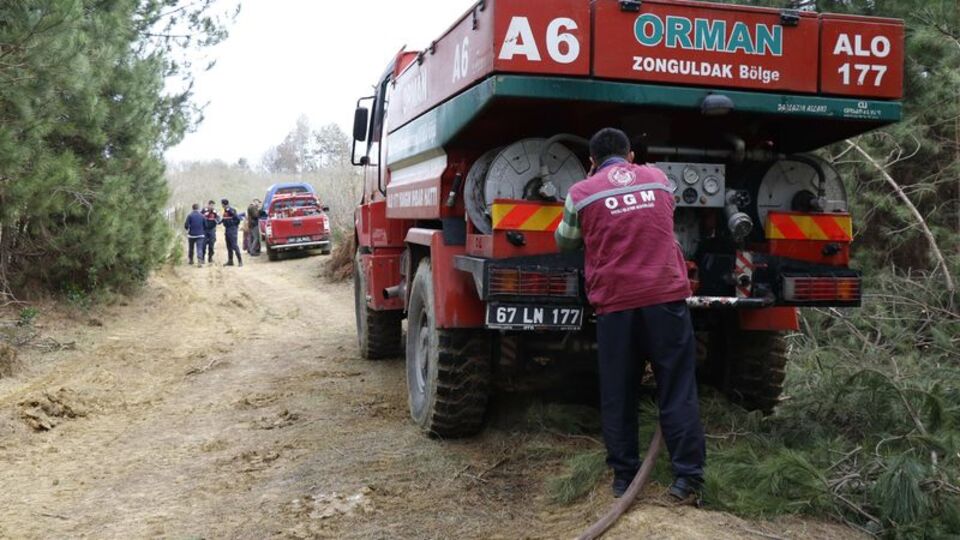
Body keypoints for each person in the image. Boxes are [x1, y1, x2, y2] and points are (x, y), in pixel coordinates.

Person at [555, 128, 705, 501]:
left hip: (617, 304)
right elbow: (666, 216)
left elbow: (565, 241)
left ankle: (624, 478)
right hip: (665, 299)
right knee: (678, 387)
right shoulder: (658, 179)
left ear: (591, 162)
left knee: (619, 390)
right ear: (631, 156)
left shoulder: (580, 193)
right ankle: (688, 480)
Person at [220, 199, 243, 267]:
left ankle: (240, 261)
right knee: (229, 246)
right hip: (227, 229)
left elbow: (237, 219)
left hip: (232, 229)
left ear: (223, 204)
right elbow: (224, 219)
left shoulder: (231, 210)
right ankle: (230, 261)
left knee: (234, 245)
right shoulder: (225, 211)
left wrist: (233, 225)